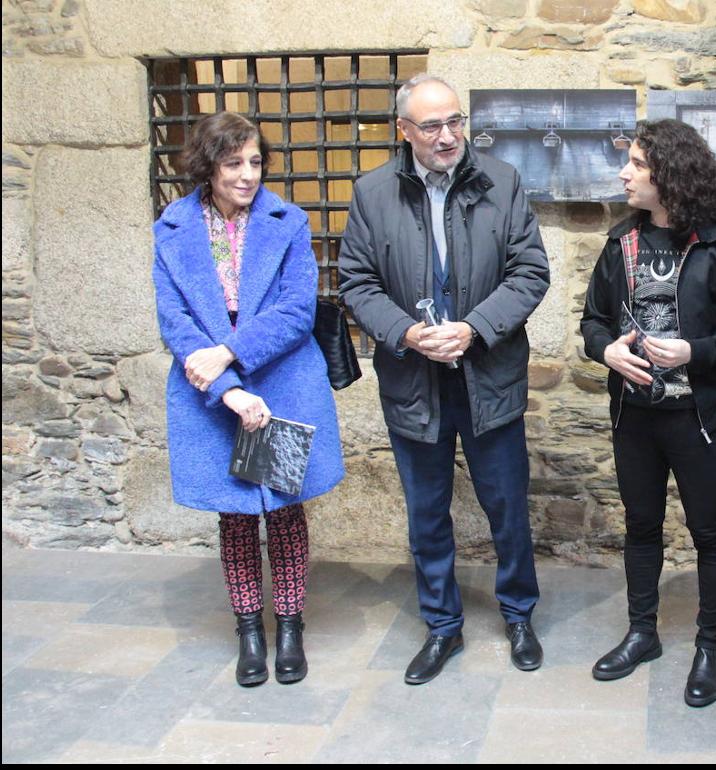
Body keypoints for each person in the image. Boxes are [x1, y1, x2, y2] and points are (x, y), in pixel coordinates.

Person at [338, 74, 549, 684]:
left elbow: (529, 271)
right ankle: (441, 626)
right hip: (413, 380)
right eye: (431, 125)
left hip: (489, 375)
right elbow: (357, 282)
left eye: (455, 121)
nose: (448, 135)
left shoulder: (501, 182)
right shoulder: (372, 192)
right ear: (403, 131)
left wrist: (475, 328)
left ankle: (518, 614)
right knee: (427, 511)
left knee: (506, 505)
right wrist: (406, 333)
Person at [152, 111, 345, 688]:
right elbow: (174, 321)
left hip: (281, 382)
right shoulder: (173, 227)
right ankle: (249, 631)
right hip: (208, 392)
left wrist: (230, 354)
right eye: (234, 163)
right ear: (207, 166)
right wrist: (225, 386)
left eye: (255, 161)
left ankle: (289, 626)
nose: (247, 174)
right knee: (235, 516)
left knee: (285, 510)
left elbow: (295, 312)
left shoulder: (287, 221)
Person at [580, 119, 716, 707]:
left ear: (670, 174)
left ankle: (709, 646)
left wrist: (694, 351)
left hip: (698, 418)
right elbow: (591, 321)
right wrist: (603, 349)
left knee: (709, 532)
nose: (625, 173)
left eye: (636, 163)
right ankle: (642, 633)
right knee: (640, 527)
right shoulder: (620, 241)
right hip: (633, 416)